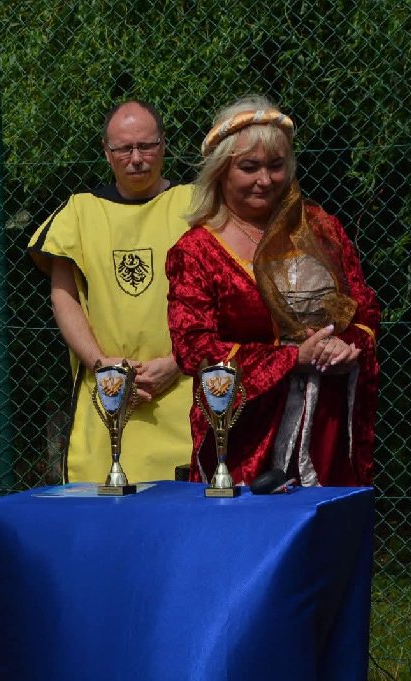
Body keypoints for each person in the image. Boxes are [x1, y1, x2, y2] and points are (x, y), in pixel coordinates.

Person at [166, 95, 380, 487]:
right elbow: (192, 348)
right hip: (245, 438)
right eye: (249, 167)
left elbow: (364, 308)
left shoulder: (321, 230)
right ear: (221, 171)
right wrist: (291, 359)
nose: (265, 180)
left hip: (326, 430)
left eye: (276, 166)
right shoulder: (196, 251)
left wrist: (347, 344)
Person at [27, 100, 195, 484]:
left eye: (146, 146)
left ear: (164, 145)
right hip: (107, 397)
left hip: (185, 391)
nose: (136, 159)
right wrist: (102, 367)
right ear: (106, 151)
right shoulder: (80, 212)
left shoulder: (197, 205)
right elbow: (63, 296)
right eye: (124, 148)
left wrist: (179, 360)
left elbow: (223, 297)